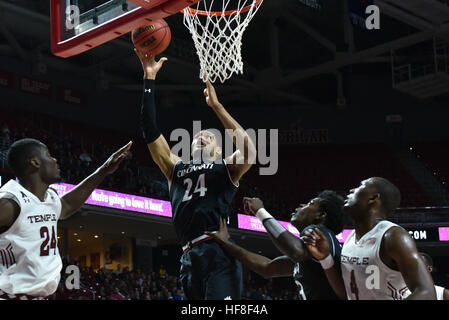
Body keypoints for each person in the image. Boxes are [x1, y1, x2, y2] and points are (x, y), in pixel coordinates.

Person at [134, 49, 256, 300]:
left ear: (219, 151)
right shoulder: (174, 168)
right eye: (198, 136)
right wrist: (149, 80)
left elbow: (250, 152)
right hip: (188, 256)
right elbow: (150, 130)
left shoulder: (225, 167)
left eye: (209, 137)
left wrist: (217, 107)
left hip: (217, 252)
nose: (202, 136)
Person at [0, 138, 132, 300]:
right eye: (48, 155)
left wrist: (103, 170)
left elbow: (68, 205)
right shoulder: (9, 202)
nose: (54, 160)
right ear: (34, 162)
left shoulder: (51, 198)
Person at [302, 177, 436, 300]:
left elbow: (427, 293)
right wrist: (325, 258)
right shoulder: (350, 239)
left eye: (360, 186)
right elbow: (347, 294)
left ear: (373, 198)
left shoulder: (392, 236)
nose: (352, 190)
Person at [206, 191, 345, 300]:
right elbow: (268, 268)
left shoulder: (321, 233)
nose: (302, 206)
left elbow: (296, 251)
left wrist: (260, 211)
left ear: (320, 215)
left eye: (310, 203)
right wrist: (227, 242)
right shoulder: (310, 255)